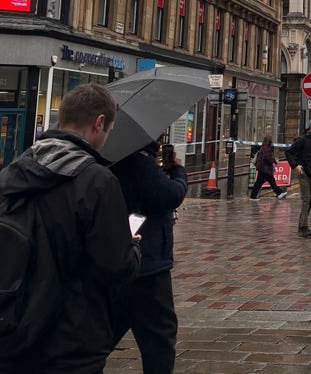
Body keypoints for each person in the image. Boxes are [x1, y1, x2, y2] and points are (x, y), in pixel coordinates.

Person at [0, 83, 140, 374]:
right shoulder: (97, 181)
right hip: (71, 340)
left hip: (13, 331)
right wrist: (133, 246)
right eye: (109, 130)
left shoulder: (14, 171)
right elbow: (116, 267)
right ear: (99, 123)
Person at [110, 139, 188, 374]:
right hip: (147, 261)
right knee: (160, 337)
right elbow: (170, 195)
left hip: (116, 256)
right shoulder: (137, 160)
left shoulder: (114, 155)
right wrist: (178, 171)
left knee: (106, 328)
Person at [286, 117, 311, 238]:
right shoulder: (302, 140)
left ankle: (301, 225)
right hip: (303, 173)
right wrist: (295, 166)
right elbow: (289, 152)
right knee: (306, 199)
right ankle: (303, 228)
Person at [250, 135, 288, 200]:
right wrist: (274, 161)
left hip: (262, 168)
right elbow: (267, 158)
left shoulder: (262, 147)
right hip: (266, 169)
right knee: (270, 182)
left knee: (261, 183)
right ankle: (279, 193)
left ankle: (253, 196)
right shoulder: (267, 148)